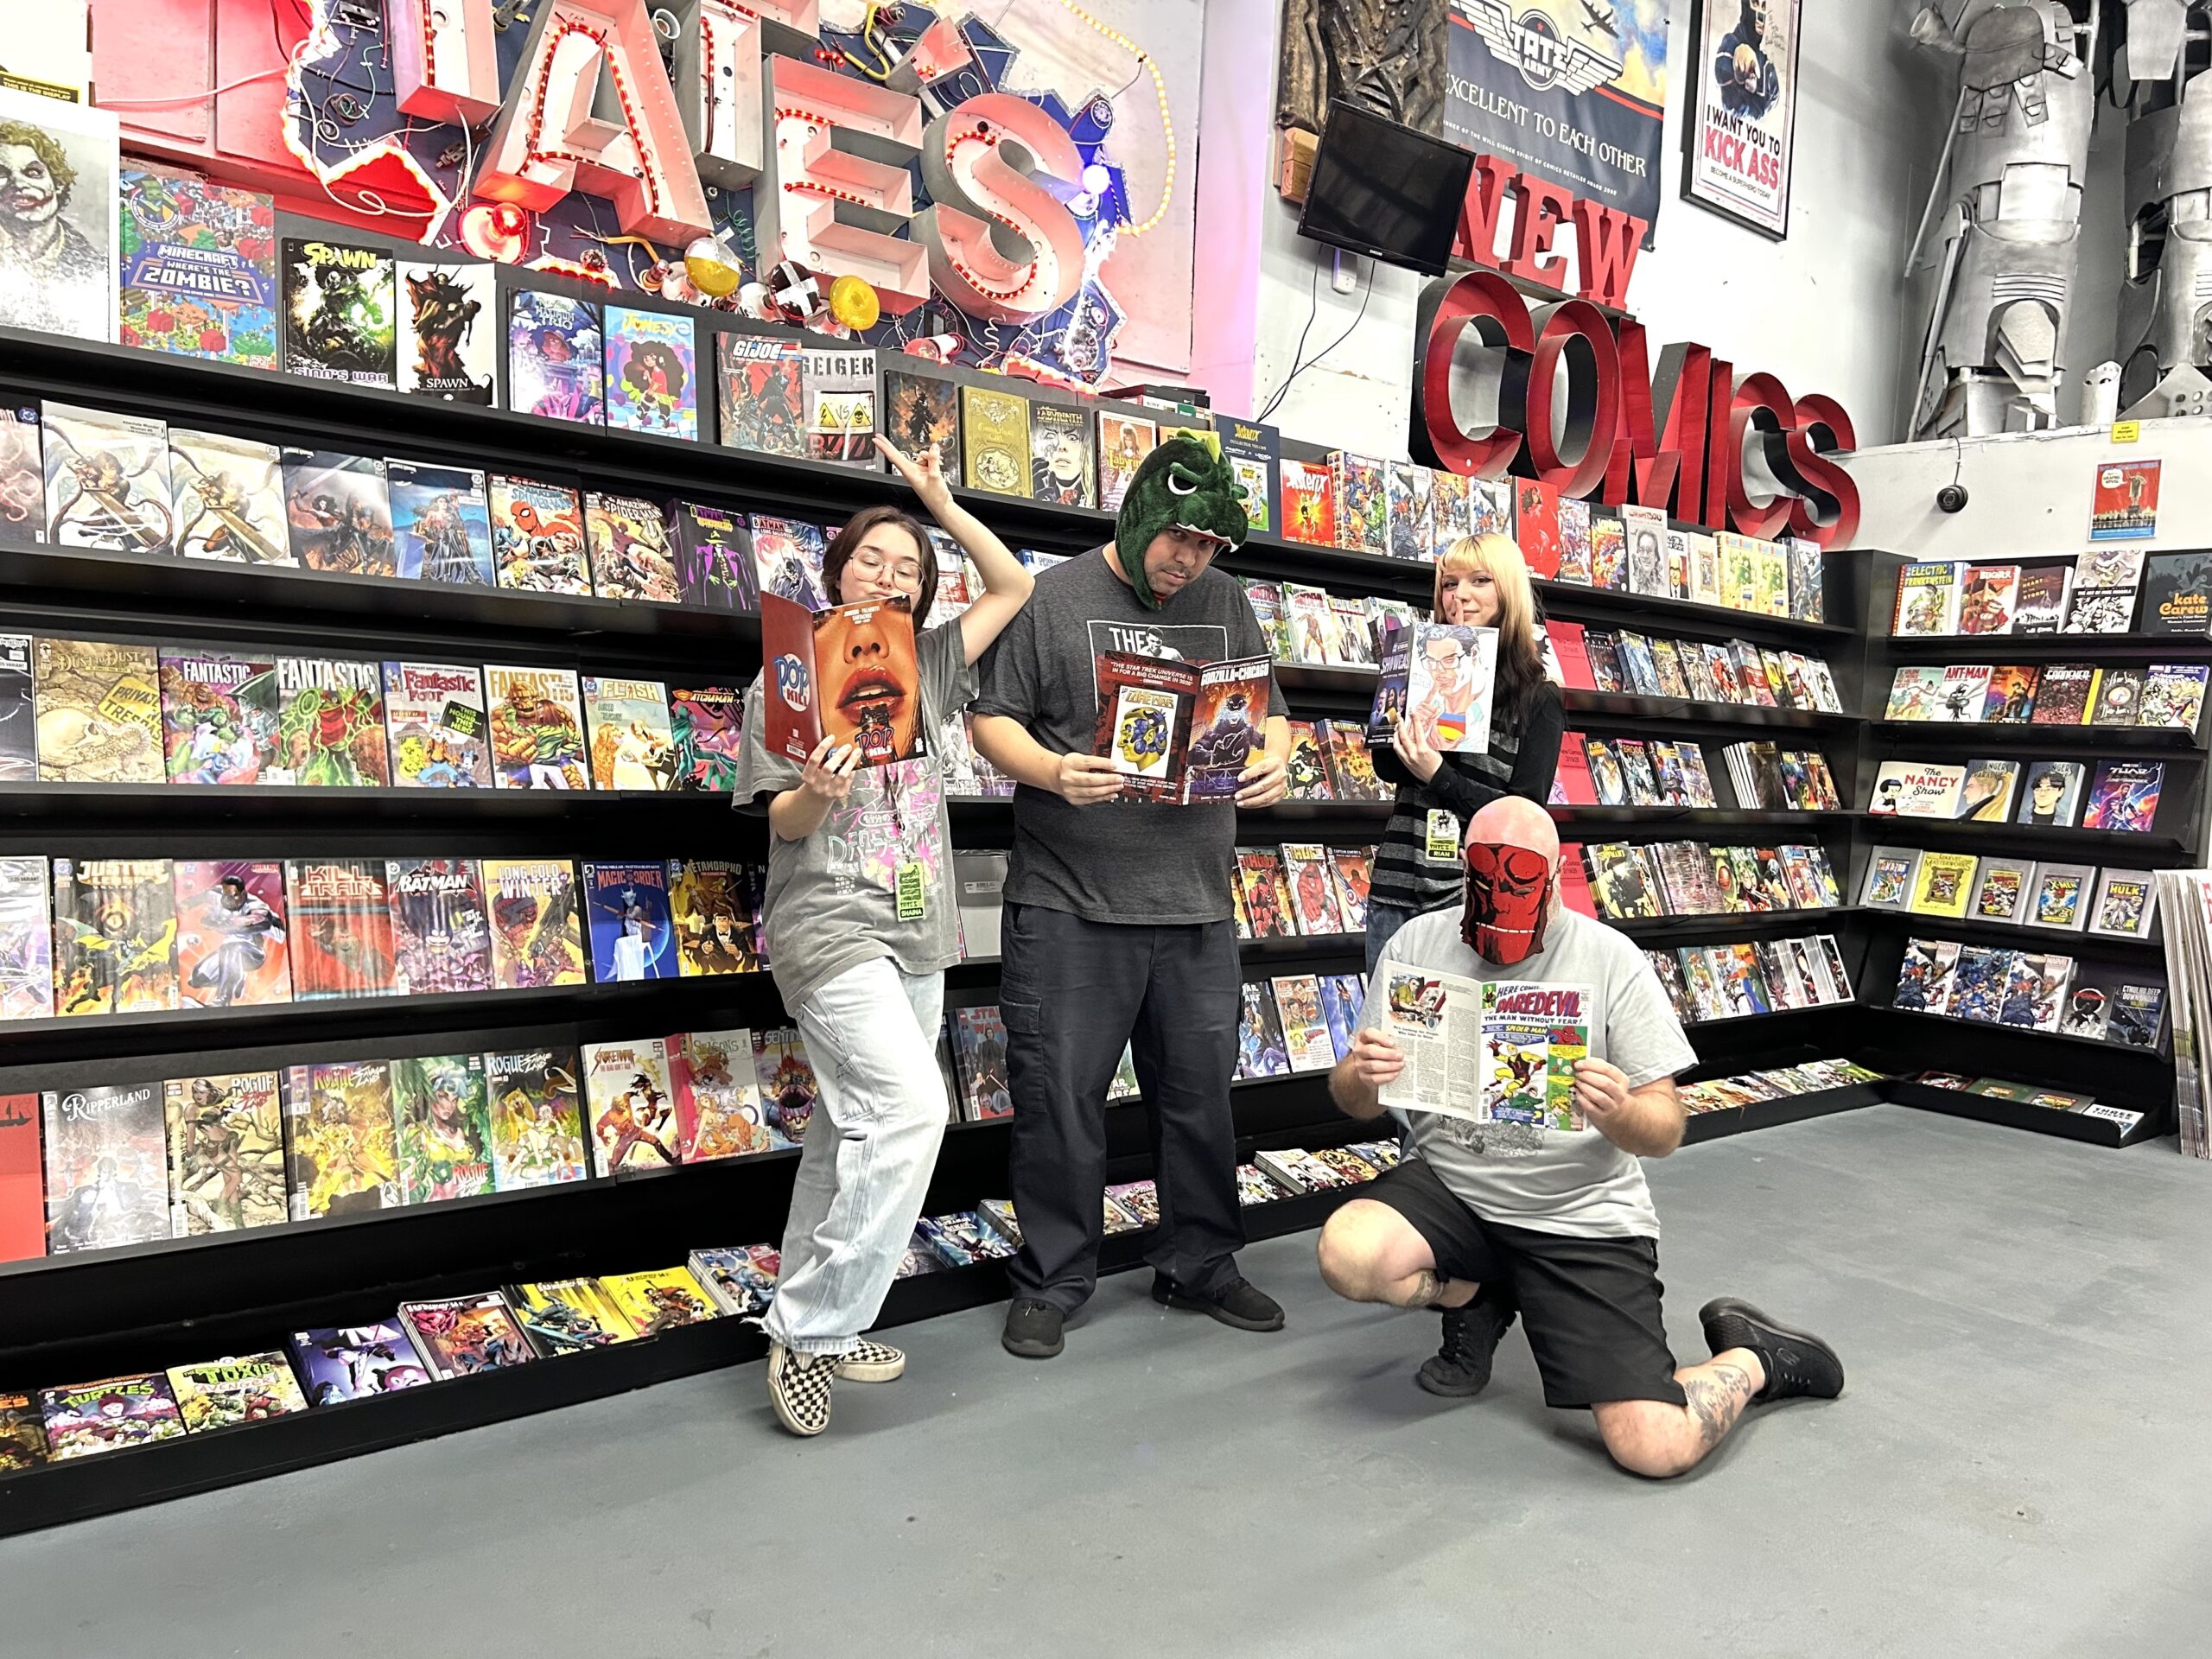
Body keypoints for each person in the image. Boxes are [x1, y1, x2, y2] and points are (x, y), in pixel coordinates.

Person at [1316, 797, 1843, 1475]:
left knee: (1655, 1447)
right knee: (1348, 1253)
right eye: (1482, 884)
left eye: (1518, 886)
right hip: (1454, 1187)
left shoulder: (1610, 958)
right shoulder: (1418, 943)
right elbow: (1353, 1099)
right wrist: (1361, 1074)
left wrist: (1619, 1111)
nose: (1498, 904)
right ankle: (1477, 1295)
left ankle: (1757, 1356)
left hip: (1577, 1211)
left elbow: (1665, 1130)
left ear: (1555, 877)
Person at [734, 435, 1033, 1436]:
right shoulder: (785, 676)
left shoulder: (932, 665)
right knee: (909, 1112)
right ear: (838, 569)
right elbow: (781, 823)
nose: (889, 575)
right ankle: (813, 1327)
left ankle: (833, 1312)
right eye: (872, 558)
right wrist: (818, 791)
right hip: (829, 928)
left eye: (908, 567)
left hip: (915, 932)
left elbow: (1013, 585)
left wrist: (940, 504)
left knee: (848, 1129)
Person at [970, 433, 1290, 1360]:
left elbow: (1269, 710)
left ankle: (1201, 1263)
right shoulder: (1054, 597)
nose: (1189, 559)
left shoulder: (1224, 600)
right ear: (1142, 516)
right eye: (1179, 538)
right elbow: (990, 718)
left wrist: (1274, 758)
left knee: (1200, 1100)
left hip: (1195, 903)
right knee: (1060, 1101)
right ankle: (1054, 1277)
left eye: (1209, 545)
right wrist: (1051, 771)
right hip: (1070, 900)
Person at [1367, 533, 1564, 976]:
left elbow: (1525, 817)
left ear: (1507, 589)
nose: (1461, 596)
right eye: (1449, 584)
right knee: (1387, 1018)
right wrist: (1406, 697)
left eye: (1480, 580)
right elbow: (1384, 765)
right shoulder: (1420, 664)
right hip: (1397, 888)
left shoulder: (1538, 698)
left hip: (1476, 899)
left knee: (1464, 1019)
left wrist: (1438, 775)